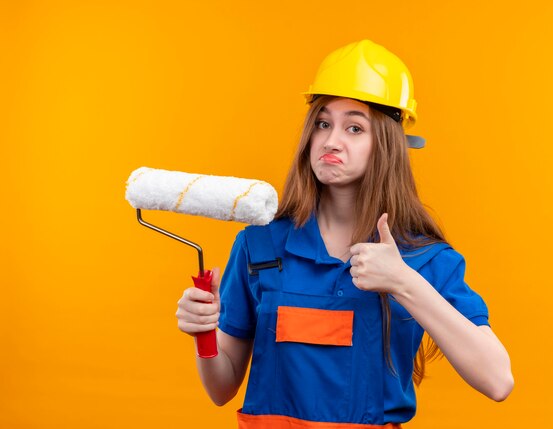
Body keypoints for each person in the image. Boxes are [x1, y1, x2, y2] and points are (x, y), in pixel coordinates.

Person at [176, 39, 514, 429]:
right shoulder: (261, 244)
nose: (331, 141)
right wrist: (203, 333)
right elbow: (221, 388)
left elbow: (497, 380)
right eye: (323, 123)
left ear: (387, 145)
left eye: (354, 127)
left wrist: (403, 281)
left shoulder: (424, 259)